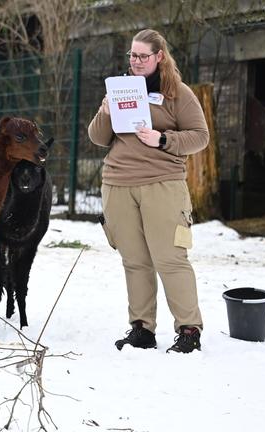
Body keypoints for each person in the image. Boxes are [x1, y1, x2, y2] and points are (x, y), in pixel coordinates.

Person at [88, 29, 209, 353]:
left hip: (163, 184)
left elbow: (200, 136)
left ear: (159, 57)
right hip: (118, 183)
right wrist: (107, 110)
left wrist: (164, 139)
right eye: (132, 55)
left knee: (170, 257)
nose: (136, 61)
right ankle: (141, 329)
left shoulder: (177, 93)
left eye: (142, 55)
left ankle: (189, 329)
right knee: (135, 260)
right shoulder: (120, 89)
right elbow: (98, 137)